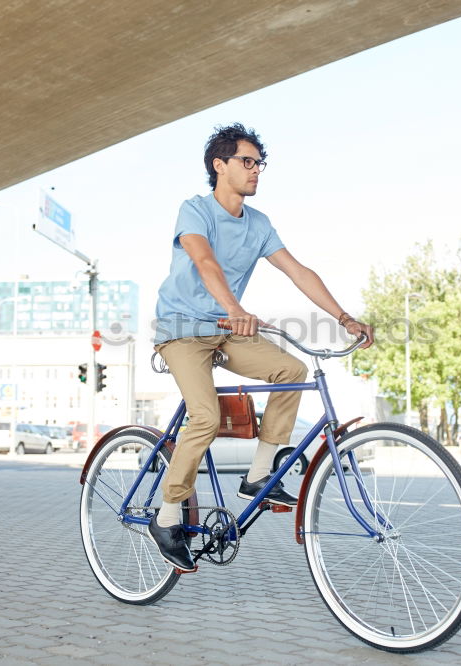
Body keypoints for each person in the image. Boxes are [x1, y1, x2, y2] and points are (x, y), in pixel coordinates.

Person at [148, 123, 374, 571]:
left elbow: (299, 271)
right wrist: (234, 306)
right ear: (220, 165)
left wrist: (344, 317)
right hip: (182, 329)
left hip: (228, 327)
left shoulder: (260, 224)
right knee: (206, 417)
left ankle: (258, 476)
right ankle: (167, 515)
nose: (256, 171)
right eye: (247, 162)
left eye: (259, 163)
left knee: (291, 370)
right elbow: (204, 260)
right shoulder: (195, 210)